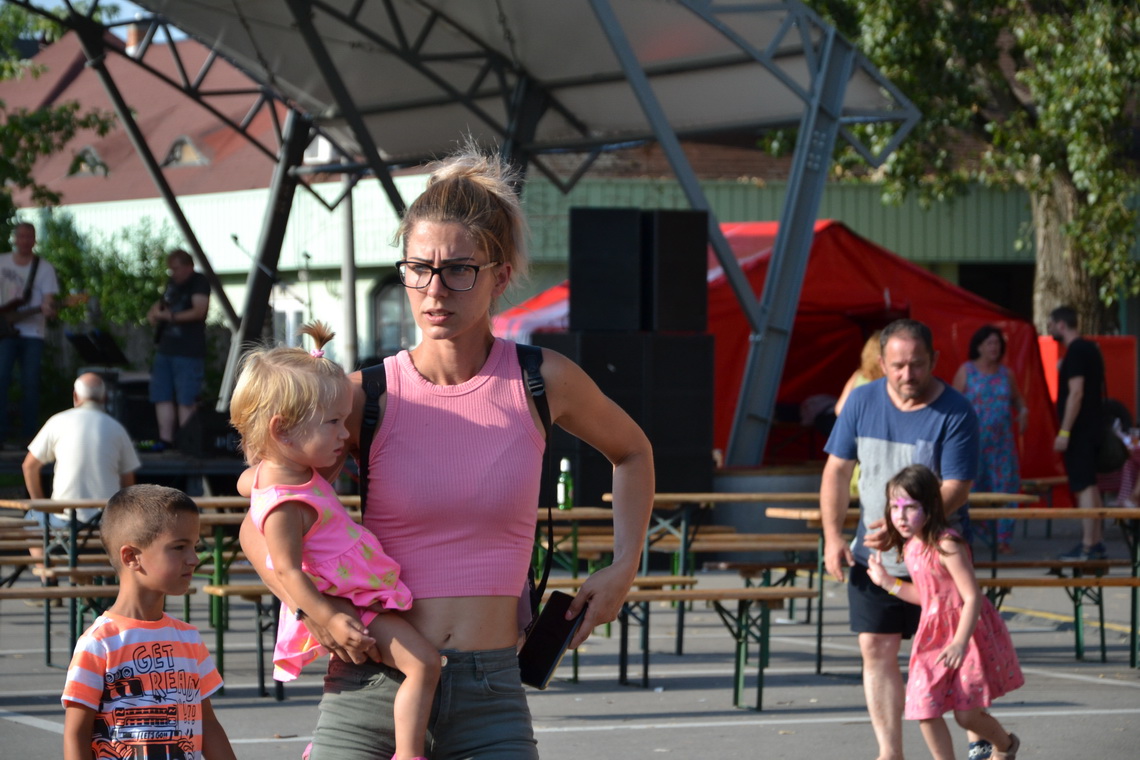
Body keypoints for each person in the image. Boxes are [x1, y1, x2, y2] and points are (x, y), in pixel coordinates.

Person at [239, 147, 655, 760]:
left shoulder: (541, 381)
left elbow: (634, 452)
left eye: (459, 269)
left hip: (491, 694)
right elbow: (263, 510)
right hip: (373, 686)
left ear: (500, 276)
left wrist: (624, 566)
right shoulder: (363, 395)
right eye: (418, 268)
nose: (434, 290)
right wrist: (314, 608)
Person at [230, 321, 439, 760]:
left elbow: (247, 481)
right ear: (282, 431)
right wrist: (329, 618)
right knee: (423, 664)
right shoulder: (286, 504)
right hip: (351, 604)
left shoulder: (283, 474)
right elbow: (287, 569)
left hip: (353, 596)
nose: (346, 434)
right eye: (333, 423)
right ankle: (409, 753)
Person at [820, 318, 980, 760]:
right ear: (881, 362)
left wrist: (902, 528)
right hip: (874, 558)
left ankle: (983, 740)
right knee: (876, 647)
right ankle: (890, 752)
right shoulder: (861, 401)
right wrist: (832, 535)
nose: (908, 374)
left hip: (938, 559)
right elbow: (836, 471)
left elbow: (957, 486)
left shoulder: (956, 411)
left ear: (935, 360)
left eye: (918, 364)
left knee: (949, 658)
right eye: (898, 366)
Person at [61, 484, 236, 760]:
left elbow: (208, 724)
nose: (194, 559)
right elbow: (76, 733)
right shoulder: (99, 643)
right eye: (179, 547)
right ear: (131, 557)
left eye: (195, 546)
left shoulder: (188, 638)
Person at [867, 464, 1024, 760]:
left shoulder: (947, 544)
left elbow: (971, 596)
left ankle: (1005, 746)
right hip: (932, 638)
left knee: (966, 715)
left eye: (910, 507)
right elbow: (928, 597)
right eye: (894, 507)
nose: (900, 516)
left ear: (930, 507)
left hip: (966, 634)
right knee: (924, 709)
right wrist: (887, 582)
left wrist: (960, 643)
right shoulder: (912, 547)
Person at [22, 372, 141, 564]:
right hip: (106, 522)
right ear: (104, 398)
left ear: (75, 396)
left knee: (31, 516)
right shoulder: (117, 428)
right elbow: (129, 484)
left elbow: (29, 466)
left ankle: (47, 572)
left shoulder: (57, 421)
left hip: (64, 521)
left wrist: (41, 504)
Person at [952, 325, 1028, 554]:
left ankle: (1003, 539)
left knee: (1005, 489)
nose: (994, 348)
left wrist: (1024, 412)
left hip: (1002, 446)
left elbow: (1018, 401)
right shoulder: (966, 371)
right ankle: (973, 535)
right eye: (989, 343)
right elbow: (953, 404)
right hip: (972, 444)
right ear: (979, 347)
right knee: (970, 489)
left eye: (997, 344)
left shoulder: (1006, 374)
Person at [1048, 305, 1108, 560]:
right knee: (1090, 485)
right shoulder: (1090, 349)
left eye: (1051, 325)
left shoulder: (1075, 352)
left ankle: (1088, 545)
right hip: (1093, 428)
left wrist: (1064, 432)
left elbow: (1076, 393)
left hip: (1080, 432)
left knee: (1084, 486)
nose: (1049, 329)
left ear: (1061, 325)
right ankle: (1096, 541)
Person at [0, 221, 59, 446]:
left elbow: (49, 300)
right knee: (1, 379)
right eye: (21, 236)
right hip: (4, 332)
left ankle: (29, 436)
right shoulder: (2, 262)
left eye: (29, 236)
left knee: (30, 383)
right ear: (15, 239)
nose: (25, 241)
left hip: (33, 333)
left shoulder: (44, 268)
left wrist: (49, 309)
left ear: (34, 240)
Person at [146, 248, 210, 451]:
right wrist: (154, 313)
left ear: (188, 266)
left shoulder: (199, 282)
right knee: (161, 395)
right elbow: (162, 304)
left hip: (188, 350)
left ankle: (187, 441)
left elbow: (199, 311)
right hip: (166, 348)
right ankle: (165, 440)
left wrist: (170, 317)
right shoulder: (172, 284)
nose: (173, 273)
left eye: (176, 268)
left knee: (186, 399)